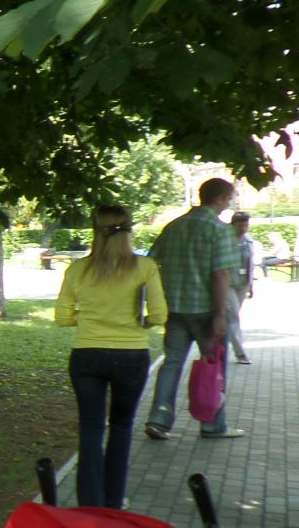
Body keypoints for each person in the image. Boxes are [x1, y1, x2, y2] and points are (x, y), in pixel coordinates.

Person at [54, 206, 166, 509]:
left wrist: (90, 318)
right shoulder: (145, 267)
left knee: (90, 428)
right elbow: (159, 314)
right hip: (131, 355)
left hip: (86, 354)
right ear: (129, 230)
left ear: (95, 230)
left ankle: (89, 502)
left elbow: (62, 317)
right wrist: (139, 322)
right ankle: (114, 500)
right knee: (121, 425)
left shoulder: (78, 269)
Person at [144, 178, 243, 440]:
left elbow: (151, 263)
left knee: (171, 362)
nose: (231, 202)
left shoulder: (174, 226)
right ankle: (212, 424)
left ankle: (158, 420)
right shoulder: (220, 230)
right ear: (220, 198)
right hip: (206, 310)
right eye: (230, 197)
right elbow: (220, 275)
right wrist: (221, 315)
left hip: (175, 308)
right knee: (214, 366)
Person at [226, 212, 254, 364]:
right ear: (233, 225)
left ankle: (220, 343)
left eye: (245, 224)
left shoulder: (249, 240)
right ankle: (240, 353)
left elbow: (251, 263)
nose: (243, 228)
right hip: (228, 284)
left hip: (243, 283)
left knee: (232, 316)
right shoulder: (225, 240)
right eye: (240, 225)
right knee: (233, 316)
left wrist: (251, 285)